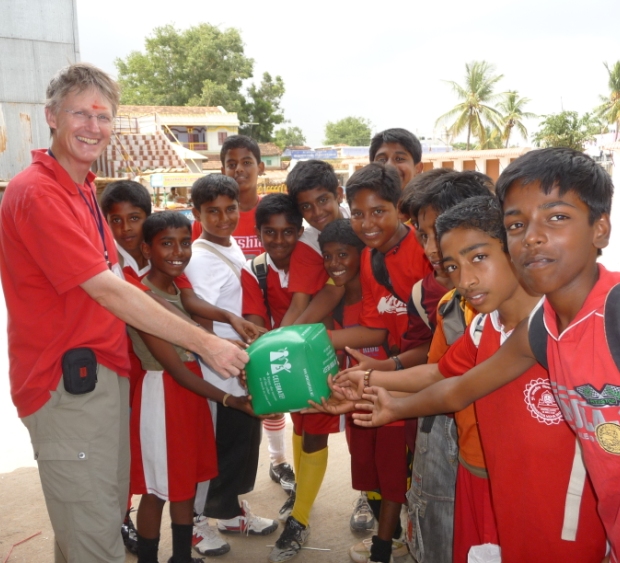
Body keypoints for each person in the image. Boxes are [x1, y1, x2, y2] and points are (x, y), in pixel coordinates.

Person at [0, 63, 247, 563]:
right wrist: (206, 343)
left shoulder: (83, 189)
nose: (94, 126)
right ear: (51, 116)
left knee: (96, 519)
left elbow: (130, 283)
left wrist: (219, 328)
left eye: (103, 115)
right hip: (66, 385)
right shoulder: (38, 192)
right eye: (80, 114)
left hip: (101, 377)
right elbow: (108, 291)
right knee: (96, 539)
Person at [354, 148, 618, 560]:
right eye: (517, 224)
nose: (532, 236)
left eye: (557, 216)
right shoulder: (535, 327)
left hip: (573, 518)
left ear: (600, 228)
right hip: (522, 503)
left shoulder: (609, 313)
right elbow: (454, 386)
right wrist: (380, 395)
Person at [127, 211, 256, 563]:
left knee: (184, 483)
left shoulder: (176, 282)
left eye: (185, 242)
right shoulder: (140, 295)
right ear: (146, 248)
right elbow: (177, 370)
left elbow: (192, 302)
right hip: (164, 394)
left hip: (190, 396)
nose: (178, 252)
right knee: (156, 490)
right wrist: (232, 400)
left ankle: (181, 557)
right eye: (166, 243)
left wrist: (230, 317)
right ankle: (148, 558)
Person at [328, 163, 431, 563]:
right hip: (395, 370)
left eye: (378, 211)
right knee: (384, 466)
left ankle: (385, 548)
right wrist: (320, 339)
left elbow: (437, 340)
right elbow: (376, 328)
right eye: (357, 213)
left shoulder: (423, 253)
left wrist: (379, 371)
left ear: (399, 207)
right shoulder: (371, 259)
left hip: (423, 375)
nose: (367, 223)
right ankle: (392, 540)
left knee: (405, 471)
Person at [184, 174, 278, 558]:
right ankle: (194, 523)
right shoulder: (201, 258)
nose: (224, 218)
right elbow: (198, 318)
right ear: (197, 213)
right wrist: (228, 353)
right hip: (219, 371)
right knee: (213, 451)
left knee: (240, 446)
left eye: (230, 209)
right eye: (213, 212)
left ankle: (229, 514)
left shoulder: (231, 245)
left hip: (239, 366)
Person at [267, 161, 349, 563]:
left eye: (323, 201)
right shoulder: (307, 245)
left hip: (372, 342)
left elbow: (336, 291)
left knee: (372, 433)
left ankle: (364, 500)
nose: (318, 213)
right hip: (323, 349)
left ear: (338, 191)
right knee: (309, 421)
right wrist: (276, 349)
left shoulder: (364, 226)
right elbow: (305, 303)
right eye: (308, 208)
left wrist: (283, 342)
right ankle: (301, 511)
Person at [240, 193, 304, 504]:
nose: (279, 241)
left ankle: (304, 489)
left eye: (288, 232)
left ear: (300, 232)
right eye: (270, 232)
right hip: (271, 345)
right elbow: (255, 325)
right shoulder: (253, 270)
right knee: (271, 401)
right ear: (258, 234)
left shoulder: (314, 262)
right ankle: (278, 461)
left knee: (311, 421)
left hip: (305, 348)